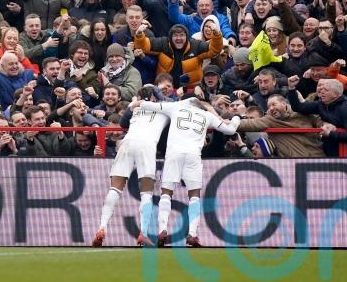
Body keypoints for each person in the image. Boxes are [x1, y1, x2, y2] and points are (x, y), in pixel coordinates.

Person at [136, 97, 239, 247]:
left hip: (174, 153)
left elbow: (146, 105)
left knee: (166, 193)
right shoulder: (207, 115)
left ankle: (162, 229)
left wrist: (135, 103)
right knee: (194, 196)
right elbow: (230, 130)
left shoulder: (175, 107)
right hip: (193, 155)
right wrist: (236, 117)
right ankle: (192, 234)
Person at [93, 86, 169, 247]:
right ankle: (143, 233)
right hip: (147, 145)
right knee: (146, 192)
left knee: (114, 189)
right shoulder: (164, 108)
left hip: (127, 143)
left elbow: (122, 122)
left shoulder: (134, 108)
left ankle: (102, 227)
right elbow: (169, 101)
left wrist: (134, 104)